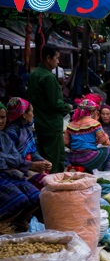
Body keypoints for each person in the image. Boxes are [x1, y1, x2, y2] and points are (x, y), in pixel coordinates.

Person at [27, 44, 73, 173]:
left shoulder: (34, 74)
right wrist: (69, 107)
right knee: (55, 159)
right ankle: (54, 181)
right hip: (51, 124)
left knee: (43, 157)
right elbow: (55, 104)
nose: (58, 62)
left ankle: (45, 181)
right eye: (57, 58)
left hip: (40, 122)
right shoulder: (48, 77)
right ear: (48, 58)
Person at [0, 106, 41, 228]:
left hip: (9, 171)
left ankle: (18, 222)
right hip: (6, 173)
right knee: (19, 199)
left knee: (37, 196)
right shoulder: (12, 132)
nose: (0, 121)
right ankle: (4, 226)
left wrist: (5, 158)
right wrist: (10, 160)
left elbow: (17, 158)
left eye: (3, 117)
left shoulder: (4, 136)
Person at [64, 99, 110, 173]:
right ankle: (107, 174)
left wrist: (77, 146)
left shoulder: (71, 124)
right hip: (87, 157)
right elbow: (103, 141)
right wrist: (106, 137)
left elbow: (66, 142)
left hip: (72, 157)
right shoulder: (94, 123)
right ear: (92, 111)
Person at [5, 97, 52, 178]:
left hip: (26, 167)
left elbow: (32, 152)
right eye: (31, 111)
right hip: (15, 171)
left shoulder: (26, 129)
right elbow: (12, 159)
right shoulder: (11, 132)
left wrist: (43, 161)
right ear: (24, 115)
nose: (33, 115)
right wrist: (31, 165)